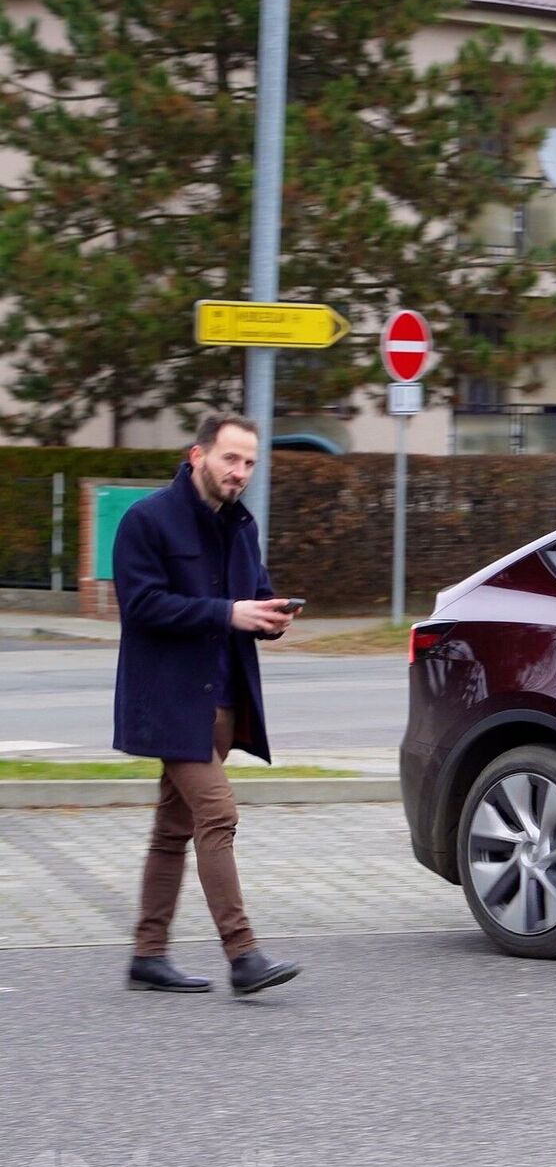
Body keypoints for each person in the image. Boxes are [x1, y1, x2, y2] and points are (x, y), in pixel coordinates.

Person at [114, 413, 303, 996]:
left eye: (249, 462)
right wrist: (228, 613)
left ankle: (148, 955)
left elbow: (255, 595)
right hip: (169, 702)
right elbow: (142, 605)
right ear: (198, 455)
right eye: (230, 459)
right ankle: (242, 954)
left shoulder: (241, 527)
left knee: (172, 829)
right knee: (217, 816)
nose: (240, 472)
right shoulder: (146, 521)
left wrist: (268, 619)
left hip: (222, 704)